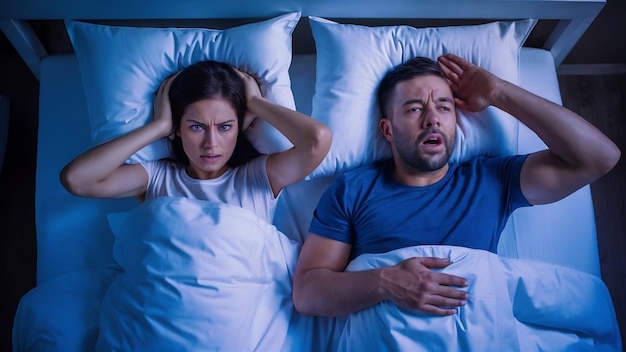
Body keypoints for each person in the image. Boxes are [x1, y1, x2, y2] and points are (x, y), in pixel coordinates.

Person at [292, 54, 620, 317]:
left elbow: (599, 158)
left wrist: (499, 93)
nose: (432, 118)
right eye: (415, 108)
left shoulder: (492, 179)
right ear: (387, 130)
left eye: (444, 107)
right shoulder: (354, 189)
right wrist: (386, 281)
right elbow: (307, 294)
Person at [60, 60, 332, 224]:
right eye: (196, 127)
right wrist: (159, 126)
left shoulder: (259, 176)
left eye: (225, 127)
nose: (211, 143)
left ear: (241, 126)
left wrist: (255, 103)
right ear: (178, 128)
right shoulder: (156, 176)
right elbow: (76, 179)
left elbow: (317, 140)